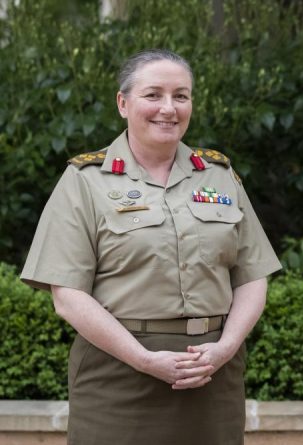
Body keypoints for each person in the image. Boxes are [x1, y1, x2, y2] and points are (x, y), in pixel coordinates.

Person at [20, 49, 281, 445]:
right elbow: (68, 295)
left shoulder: (219, 175)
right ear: (123, 103)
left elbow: (251, 276)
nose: (168, 108)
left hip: (211, 373)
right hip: (118, 375)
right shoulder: (85, 180)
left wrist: (225, 348)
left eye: (181, 95)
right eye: (153, 95)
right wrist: (144, 359)